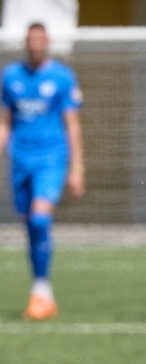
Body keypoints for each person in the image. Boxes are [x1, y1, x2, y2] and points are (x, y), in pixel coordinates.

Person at [0, 22, 85, 320]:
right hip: (20, 161)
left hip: (51, 161)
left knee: (39, 220)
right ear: (26, 43)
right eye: (30, 40)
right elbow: (5, 122)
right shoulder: (10, 76)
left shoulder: (62, 77)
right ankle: (41, 290)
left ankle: (42, 291)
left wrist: (77, 168)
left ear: (47, 42)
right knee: (31, 228)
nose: (35, 45)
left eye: (40, 40)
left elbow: (72, 125)